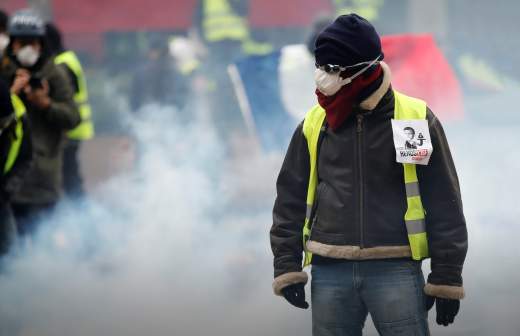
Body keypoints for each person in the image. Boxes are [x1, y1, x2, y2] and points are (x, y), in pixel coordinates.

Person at [270, 14, 467, 335]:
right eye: (320, 67)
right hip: (329, 269)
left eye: (332, 69)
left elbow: (444, 201)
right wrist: (286, 267)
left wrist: (446, 277)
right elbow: (289, 199)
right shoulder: (315, 123)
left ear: (361, 70)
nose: (321, 76)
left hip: (396, 269)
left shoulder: (411, 120)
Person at [0, 9, 80, 236]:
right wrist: (11, 96)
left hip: (43, 179)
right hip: (8, 182)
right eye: (21, 43)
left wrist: (46, 104)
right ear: (12, 44)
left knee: (40, 245)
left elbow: (73, 118)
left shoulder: (54, 74)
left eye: (32, 43)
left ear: (41, 44)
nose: (27, 49)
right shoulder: (3, 76)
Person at [45, 22, 93, 198]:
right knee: (70, 177)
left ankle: (81, 216)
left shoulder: (62, 65)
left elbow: (62, 99)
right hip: (74, 129)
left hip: (70, 130)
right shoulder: (68, 59)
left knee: (70, 179)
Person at [0, 79, 32, 258]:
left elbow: (25, 157)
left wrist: (6, 190)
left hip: (1, 199)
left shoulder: (17, 116)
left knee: (12, 258)